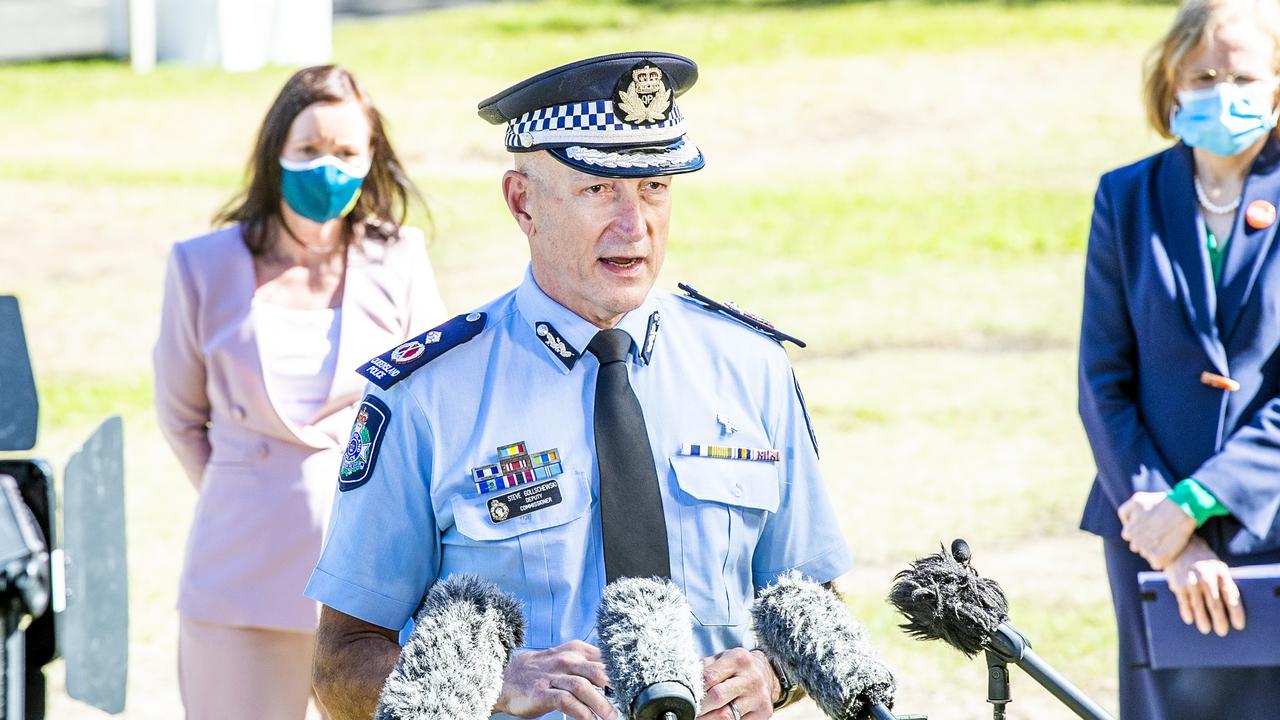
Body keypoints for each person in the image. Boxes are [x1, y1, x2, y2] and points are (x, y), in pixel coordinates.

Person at [305, 52, 852, 720]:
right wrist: (495, 682)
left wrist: (771, 673)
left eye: (654, 186)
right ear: (522, 202)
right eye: (598, 190)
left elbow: (815, 605)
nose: (634, 224)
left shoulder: (752, 370)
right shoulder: (426, 398)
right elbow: (339, 667)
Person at [153, 64, 447, 720]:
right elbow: (180, 417)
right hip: (239, 577)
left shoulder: (399, 257)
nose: (327, 167)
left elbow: (433, 406)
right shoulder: (201, 265)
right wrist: (253, 494)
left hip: (375, 583)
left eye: (346, 152)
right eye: (309, 149)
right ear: (276, 151)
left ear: (372, 160)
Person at [1078, 1, 1280, 717]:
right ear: (1171, 85)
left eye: (1245, 76)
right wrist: (1162, 521)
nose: (1224, 91)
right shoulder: (1125, 197)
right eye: (1204, 75)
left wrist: (1202, 499)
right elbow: (1103, 379)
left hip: (1270, 515)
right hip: (1148, 528)